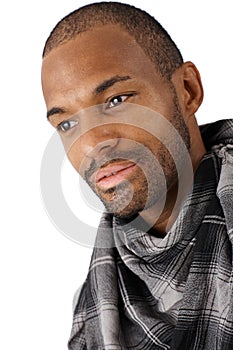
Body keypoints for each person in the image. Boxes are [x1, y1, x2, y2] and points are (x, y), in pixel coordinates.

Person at [41, 2, 233, 349]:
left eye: (117, 99)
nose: (93, 143)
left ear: (187, 90)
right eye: (67, 124)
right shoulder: (100, 304)